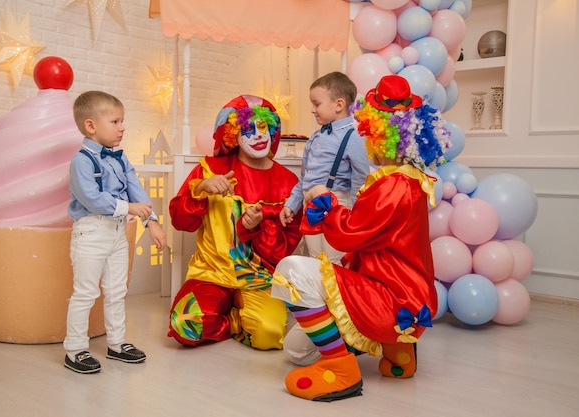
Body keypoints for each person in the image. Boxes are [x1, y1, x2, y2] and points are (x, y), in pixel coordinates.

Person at [270, 75, 452, 401]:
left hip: (389, 303)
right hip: (405, 306)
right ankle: (399, 351)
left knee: (290, 271)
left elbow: (347, 235)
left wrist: (323, 202)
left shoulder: (392, 186)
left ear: (379, 136)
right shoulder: (410, 181)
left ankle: (341, 369)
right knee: (296, 348)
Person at [167, 95, 303, 350]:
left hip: (258, 276)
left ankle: (237, 316)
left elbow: (283, 249)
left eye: (263, 128)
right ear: (233, 136)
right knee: (185, 325)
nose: (258, 136)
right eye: (247, 130)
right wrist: (200, 190)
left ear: (272, 130)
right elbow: (179, 221)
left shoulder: (288, 183)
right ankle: (232, 318)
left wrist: (257, 227)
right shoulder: (209, 169)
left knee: (269, 335)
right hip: (210, 273)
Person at [63, 91, 166, 374]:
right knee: (85, 292)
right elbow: (91, 198)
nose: (122, 128)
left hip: (118, 233)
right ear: (91, 126)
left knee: (117, 291)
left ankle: (117, 344)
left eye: (123, 121)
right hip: (91, 232)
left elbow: (137, 191)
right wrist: (130, 207)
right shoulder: (82, 161)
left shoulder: (120, 159)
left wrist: (152, 221)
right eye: (115, 121)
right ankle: (75, 349)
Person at [279, 71, 370, 265]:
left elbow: (360, 179)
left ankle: (335, 295)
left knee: (335, 262)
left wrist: (355, 218)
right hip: (310, 206)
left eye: (316, 104)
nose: (312, 110)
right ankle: (317, 296)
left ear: (339, 105)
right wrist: (291, 205)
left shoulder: (353, 137)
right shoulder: (315, 137)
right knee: (315, 260)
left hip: (338, 205)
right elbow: (305, 178)